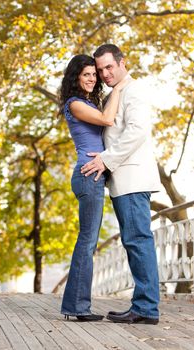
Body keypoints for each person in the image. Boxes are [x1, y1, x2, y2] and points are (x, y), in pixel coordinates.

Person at [81, 44, 162, 325]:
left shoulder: (133, 91)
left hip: (132, 178)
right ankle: (143, 305)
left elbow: (137, 132)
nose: (104, 74)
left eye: (109, 67)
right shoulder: (115, 94)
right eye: (100, 69)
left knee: (138, 241)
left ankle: (146, 308)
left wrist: (105, 159)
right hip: (122, 180)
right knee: (134, 242)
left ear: (122, 62)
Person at [59, 54, 129, 321]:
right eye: (86, 74)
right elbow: (108, 119)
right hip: (88, 175)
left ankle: (75, 306)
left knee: (87, 242)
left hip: (94, 175)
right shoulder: (75, 104)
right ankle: (77, 307)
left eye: (93, 74)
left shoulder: (87, 101)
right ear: (76, 77)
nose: (91, 78)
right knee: (87, 242)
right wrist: (120, 87)